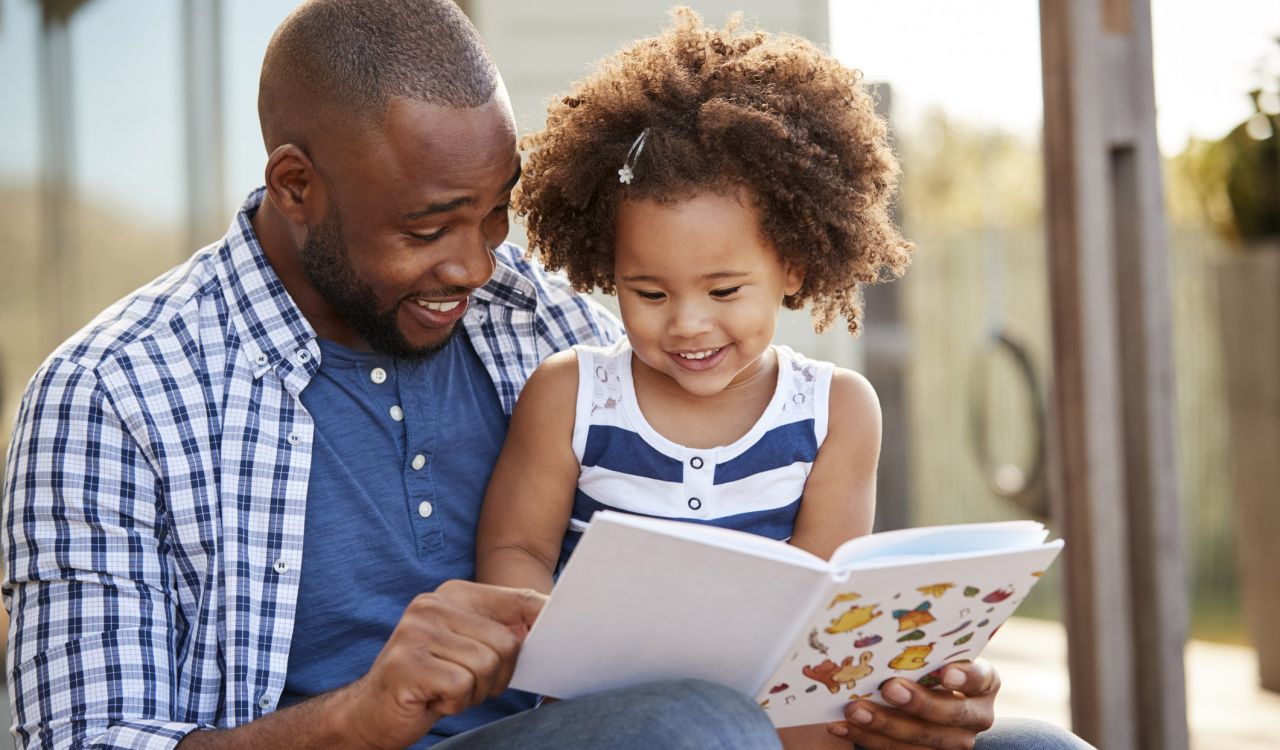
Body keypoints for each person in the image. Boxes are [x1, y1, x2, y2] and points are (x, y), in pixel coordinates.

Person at [0, 1, 1087, 750]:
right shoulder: (115, 396)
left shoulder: (554, 314)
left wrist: (884, 701)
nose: (476, 265)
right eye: (429, 227)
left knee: (1031, 741)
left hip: (672, 727)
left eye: (492, 215)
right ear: (296, 185)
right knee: (690, 730)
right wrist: (359, 713)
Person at [476, 9, 1095, 750]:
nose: (688, 325)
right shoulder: (572, 395)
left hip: (791, 718)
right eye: (649, 293)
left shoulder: (835, 411)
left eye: (725, 291)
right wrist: (555, 634)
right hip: (619, 718)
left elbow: (816, 614)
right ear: (609, 274)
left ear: (793, 267)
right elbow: (514, 553)